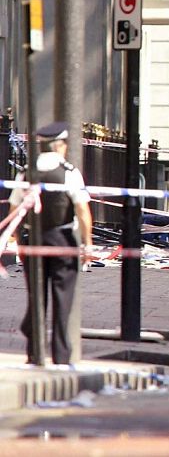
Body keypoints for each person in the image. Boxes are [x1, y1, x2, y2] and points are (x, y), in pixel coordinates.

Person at [10, 122, 93, 365]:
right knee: (62, 299)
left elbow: (15, 207)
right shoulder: (68, 171)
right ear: (60, 145)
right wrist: (87, 243)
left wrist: (16, 238)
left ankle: (34, 352)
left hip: (32, 240)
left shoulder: (26, 172)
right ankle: (62, 357)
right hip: (62, 240)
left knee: (36, 296)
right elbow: (82, 210)